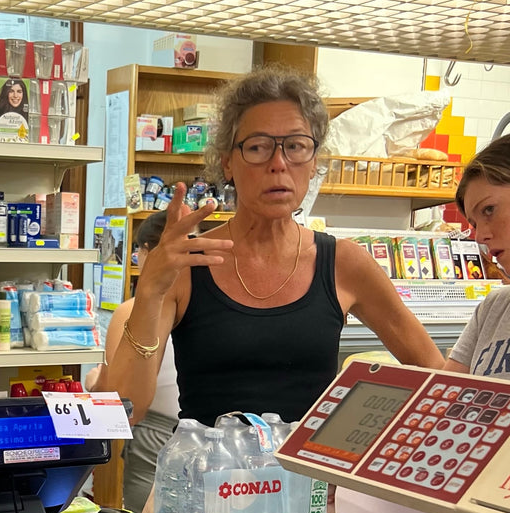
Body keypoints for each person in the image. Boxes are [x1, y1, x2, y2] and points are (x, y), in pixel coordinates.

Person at [107, 65, 444, 431]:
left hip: (306, 484)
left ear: (314, 162)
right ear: (228, 162)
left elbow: (437, 376)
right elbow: (125, 411)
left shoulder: (344, 263)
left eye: (296, 146)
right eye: (258, 147)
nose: (279, 164)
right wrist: (151, 291)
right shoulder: (188, 263)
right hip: (205, 481)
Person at [88, 210, 180, 513]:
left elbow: (121, 404)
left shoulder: (131, 311)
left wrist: (95, 381)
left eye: (138, 249)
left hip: (155, 439)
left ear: (147, 252)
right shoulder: (207, 305)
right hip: (217, 439)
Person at [445, 134, 510, 378]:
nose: (480, 236)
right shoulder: (493, 309)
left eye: (489, 210)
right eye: (474, 223)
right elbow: (444, 395)